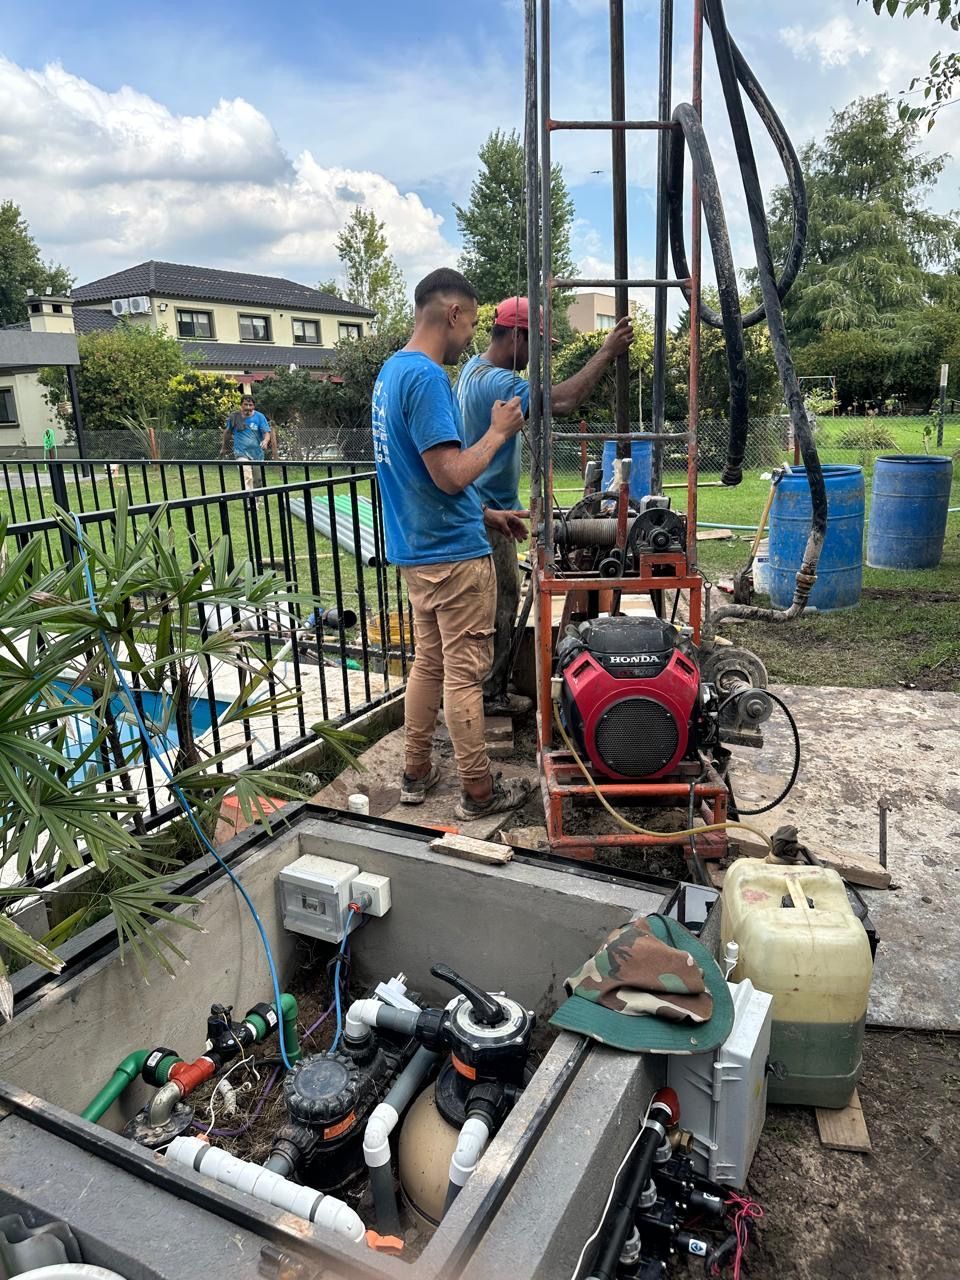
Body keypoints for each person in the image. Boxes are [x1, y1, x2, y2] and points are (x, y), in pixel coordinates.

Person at [372, 268, 532, 821]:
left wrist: (488, 514)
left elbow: (420, 477)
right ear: (454, 314)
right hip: (454, 557)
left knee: (429, 664)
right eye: (471, 322)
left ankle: (416, 773)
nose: (471, 338)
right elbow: (448, 473)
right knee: (465, 674)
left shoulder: (390, 374)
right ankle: (479, 792)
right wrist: (498, 432)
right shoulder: (428, 380)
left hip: (418, 551)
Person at [456, 298, 634, 716]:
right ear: (517, 336)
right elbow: (564, 401)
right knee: (499, 605)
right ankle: (489, 694)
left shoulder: (470, 371)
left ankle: (490, 687)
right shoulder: (498, 382)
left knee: (498, 600)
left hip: (487, 508)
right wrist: (607, 351)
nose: (540, 354)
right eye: (538, 344)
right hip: (488, 514)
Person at [221, 395, 272, 489]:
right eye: (245, 404)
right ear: (241, 405)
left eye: (250, 405)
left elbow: (266, 432)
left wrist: (265, 441)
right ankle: (249, 501)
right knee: (247, 476)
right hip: (241, 453)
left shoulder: (259, 417)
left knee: (258, 480)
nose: (248, 407)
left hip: (257, 454)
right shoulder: (234, 417)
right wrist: (224, 447)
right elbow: (227, 433)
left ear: (254, 406)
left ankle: (256, 500)